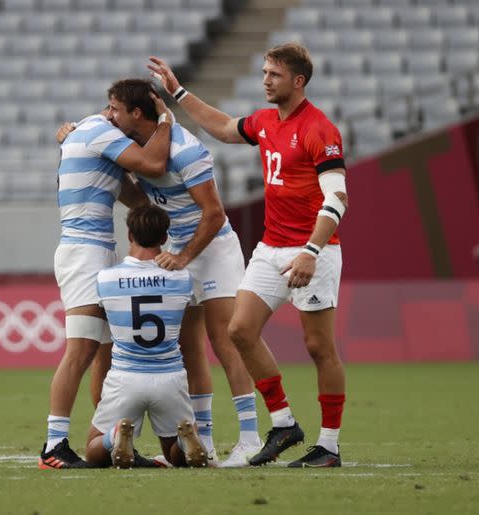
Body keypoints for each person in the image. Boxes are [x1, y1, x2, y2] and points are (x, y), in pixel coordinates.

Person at [148, 42, 348, 468]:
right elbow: (222, 126)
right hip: (271, 247)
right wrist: (178, 92)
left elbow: (338, 198)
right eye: (263, 72)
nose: (265, 81)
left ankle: (329, 445)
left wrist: (311, 251)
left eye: (273, 74)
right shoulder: (265, 122)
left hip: (314, 250)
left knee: (319, 347)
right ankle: (283, 423)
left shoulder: (320, 130)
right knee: (239, 330)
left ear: (297, 81)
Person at [56, 79, 263, 467]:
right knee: (188, 351)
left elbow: (215, 213)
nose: (108, 115)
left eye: (114, 108)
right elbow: (133, 192)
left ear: (137, 113)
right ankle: (205, 441)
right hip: (177, 250)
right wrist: (76, 137)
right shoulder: (137, 147)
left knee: (226, 341)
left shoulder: (185, 150)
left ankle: (250, 438)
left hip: (212, 248)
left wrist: (184, 257)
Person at [38, 95, 173, 469]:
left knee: (107, 353)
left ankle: (111, 439)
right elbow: (152, 163)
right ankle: (53, 445)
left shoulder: (92, 137)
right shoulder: (98, 130)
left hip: (96, 251)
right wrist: (165, 122)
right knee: (80, 350)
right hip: (83, 252)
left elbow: (135, 198)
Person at [85, 204, 208, 468]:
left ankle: (114, 437)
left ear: (130, 234)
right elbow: (192, 336)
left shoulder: (106, 279)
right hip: (170, 377)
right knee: (174, 452)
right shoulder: (184, 279)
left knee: (94, 448)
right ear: (164, 238)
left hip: (126, 376)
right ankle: (187, 442)